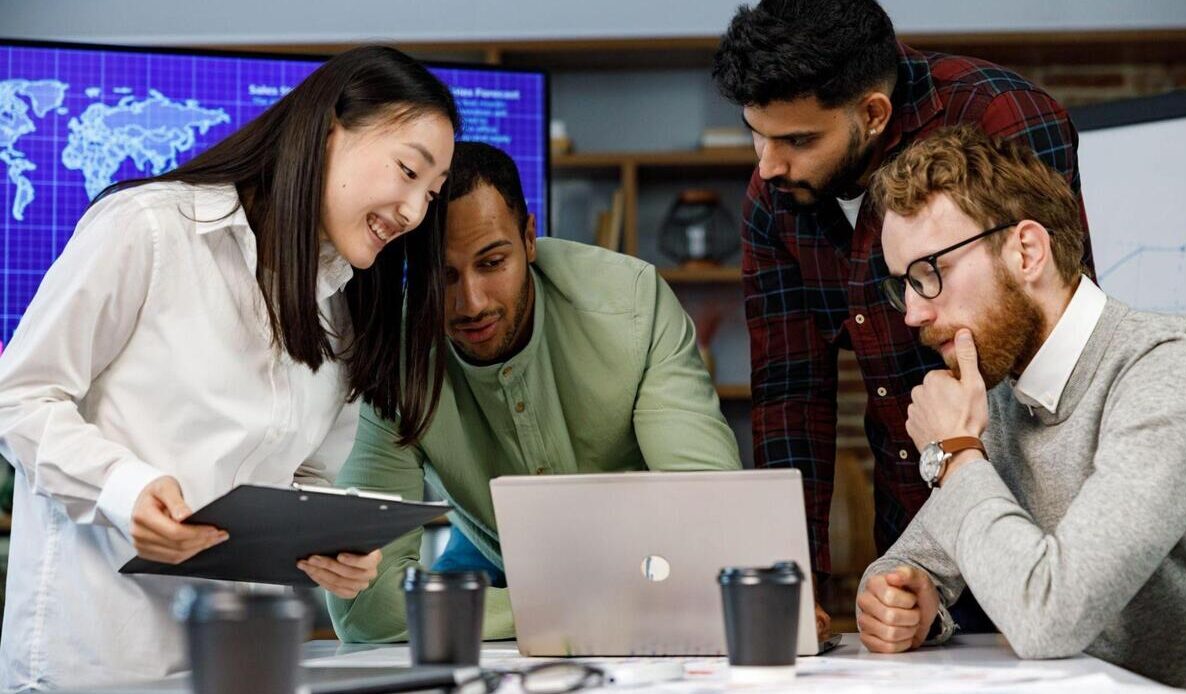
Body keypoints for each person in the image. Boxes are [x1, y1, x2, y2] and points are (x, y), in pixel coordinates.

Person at [0, 46, 458, 689]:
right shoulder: (150, 229)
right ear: (329, 132)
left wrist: (331, 537)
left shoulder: (342, 311)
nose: (413, 212)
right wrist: (122, 489)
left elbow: (302, 472)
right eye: (408, 171)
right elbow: (18, 396)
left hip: (241, 659)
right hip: (96, 659)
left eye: (430, 196)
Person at [711, 0, 1094, 631]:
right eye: (756, 132)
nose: (767, 165)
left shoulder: (1000, 117)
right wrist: (791, 578)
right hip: (916, 531)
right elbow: (790, 394)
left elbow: (1052, 336)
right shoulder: (773, 196)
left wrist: (975, 481)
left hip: (1039, 511)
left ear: (872, 114)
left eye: (797, 139)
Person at [327, 142, 742, 642]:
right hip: (492, 553)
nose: (471, 303)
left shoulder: (633, 305)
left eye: (492, 262)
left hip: (641, 566)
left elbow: (715, 523)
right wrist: (570, 610)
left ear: (528, 238)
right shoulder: (388, 359)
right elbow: (365, 610)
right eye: (444, 275)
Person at [854, 125, 1186, 689]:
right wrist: (905, 602)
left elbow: (1048, 617)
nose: (912, 314)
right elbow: (907, 565)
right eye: (905, 286)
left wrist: (957, 454)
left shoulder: (1170, 371)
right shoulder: (999, 398)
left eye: (930, 274)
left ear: (1026, 251)